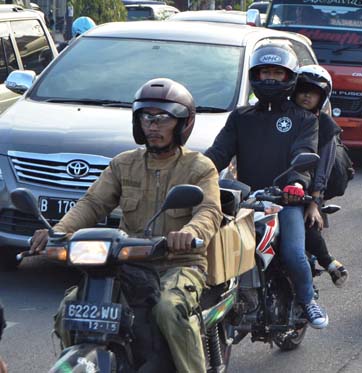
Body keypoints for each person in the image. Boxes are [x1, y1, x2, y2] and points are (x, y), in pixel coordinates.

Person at [29, 78, 223, 372]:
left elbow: (208, 211)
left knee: (170, 309)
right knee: (70, 308)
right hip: (128, 262)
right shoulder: (123, 164)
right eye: (146, 117)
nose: (153, 126)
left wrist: (189, 233)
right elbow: (92, 203)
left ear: (183, 123)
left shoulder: (199, 167)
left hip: (179, 263)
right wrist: (57, 232)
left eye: (162, 118)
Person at [204, 42, 328, 328]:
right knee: (214, 247)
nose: (270, 79)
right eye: (264, 73)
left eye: (277, 73)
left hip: (285, 201)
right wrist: (192, 171)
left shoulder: (304, 119)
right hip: (244, 202)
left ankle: (308, 300)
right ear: (254, 77)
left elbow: (304, 154)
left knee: (294, 253)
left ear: (290, 77)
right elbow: (218, 154)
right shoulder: (240, 117)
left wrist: (296, 183)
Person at [291, 65, 349, 287]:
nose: (307, 96)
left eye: (314, 92)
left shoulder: (325, 126)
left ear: (322, 97)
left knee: (303, 219)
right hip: (279, 182)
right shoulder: (283, 117)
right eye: (303, 90)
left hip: (310, 187)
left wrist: (314, 201)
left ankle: (329, 262)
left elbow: (323, 167)